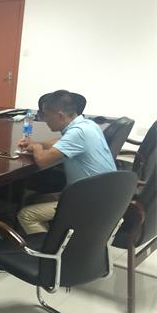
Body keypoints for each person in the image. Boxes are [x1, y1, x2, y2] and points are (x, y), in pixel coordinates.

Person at [17, 90, 116, 234]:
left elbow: (43, 161)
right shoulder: (88, 124)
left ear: (60, 116)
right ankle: (58, 232)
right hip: (108, 193)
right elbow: (61, 141)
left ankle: (51, 246)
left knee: (26, 215)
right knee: (40, 199)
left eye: (46, 115)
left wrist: (37, 147)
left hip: (91, 201)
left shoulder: (77, 133)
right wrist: (37, 143)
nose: (44, 120)